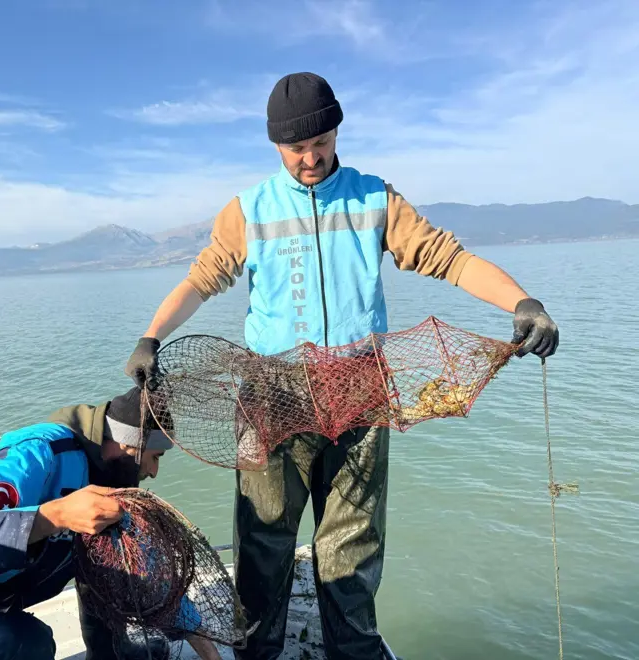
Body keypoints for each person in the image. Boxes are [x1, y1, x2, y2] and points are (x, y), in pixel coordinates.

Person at [123, 72, 560, 659]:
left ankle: (353, 651)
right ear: (276, 147)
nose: (310, 158)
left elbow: (447, 259)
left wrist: (521, 301)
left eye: (321, 142)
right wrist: (151, 336)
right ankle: (258, 652)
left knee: (352, 543)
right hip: (269, 392)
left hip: (361, 385)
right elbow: (202, 279)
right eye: (296, 148)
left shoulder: (374, 198)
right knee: (263, 539)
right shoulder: (248, 209)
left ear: (337, 130)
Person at [0, 386, 221, 660]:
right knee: (26, 644)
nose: (153, 472)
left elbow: (148, 571)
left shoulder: (106, 483)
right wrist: (55, 516)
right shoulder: (36, 455)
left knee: (103, 572)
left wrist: (210, 653)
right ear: (128, 445)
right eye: (154, 457)